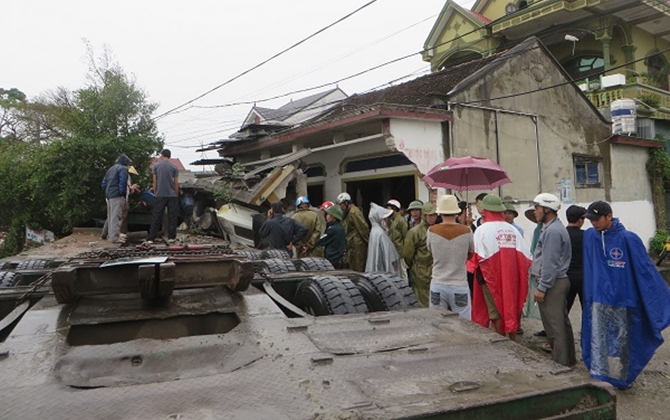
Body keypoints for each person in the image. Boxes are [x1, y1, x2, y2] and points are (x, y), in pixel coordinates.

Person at [582, 201, 670, 389]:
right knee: (599, 339)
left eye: (597, 219)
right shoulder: (590, 236)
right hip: (599, 299)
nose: (593, 223)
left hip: (624, 301)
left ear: (609, 216)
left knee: (624, 342)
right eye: (591, 220)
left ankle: (623, 376)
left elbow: (644, 269)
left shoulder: (628, 239)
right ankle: (599, 374)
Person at [471, 194, 531, 341]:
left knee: (495, 310)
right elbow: (527, 256)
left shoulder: (482, 229)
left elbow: (477, 256)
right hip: (512, 276)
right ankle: (512, 339)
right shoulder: (512, 230)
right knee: (510, 306)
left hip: (490, 275)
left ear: (486, 210)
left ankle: (502, 341)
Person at [531, 193, 576, 367]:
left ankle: (561, 364)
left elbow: (550, 263)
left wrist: (542, 287)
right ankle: (568, 360)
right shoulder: (552, 228)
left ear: (547, 209)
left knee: (554, 326)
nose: (535, 211)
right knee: (561, 323)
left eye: (537, 207)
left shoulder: (552, 232)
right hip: (556, 281)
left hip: (553, 283)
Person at [426, 195, 474, 318]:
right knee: (464, 324)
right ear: (456, 213)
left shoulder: (431, 231)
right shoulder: (467, 231)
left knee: (438, 322)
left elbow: (431, 251)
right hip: (459, 284)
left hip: (437, 283)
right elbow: (470, 255)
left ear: (440, 213)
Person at [402, 202, 438, 307]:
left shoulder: (436, 230)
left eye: (434, 215)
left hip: (435, 269)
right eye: (430, 215)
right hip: (420, 270)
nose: (433, 218)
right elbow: (407, 254)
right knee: (422, 300)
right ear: (424, 215)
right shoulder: (414, 232)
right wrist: (414, 265)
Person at [147, 149, 180, 243]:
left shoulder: (156, 166)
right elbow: (176, 183)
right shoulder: (174, 167)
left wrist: (155, 192)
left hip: (160, 194)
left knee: (157, 216)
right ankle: (171, 237)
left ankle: (151, 238)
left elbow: (155, 181)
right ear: (169, 156)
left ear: (162, 155)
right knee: (172, 216)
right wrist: (176, 194)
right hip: (172, 195)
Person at [365, 202, 403, 277]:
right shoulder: (380, 233)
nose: (386, 220)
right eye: (384, 218)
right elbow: (389, 254)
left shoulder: (375, 231)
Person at [101, 154, 132, 243]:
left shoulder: (110, 169)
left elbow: (103, 184)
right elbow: (122, 183)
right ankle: (114, 238)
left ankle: (110, 236)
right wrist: (122, 194)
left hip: (109, 195)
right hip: (117, 196)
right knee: (116, 217)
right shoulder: (123, 169)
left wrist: (107, 192)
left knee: (110, 216)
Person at [337, 192, 369, 272]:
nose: (340, 207)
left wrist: (368, 242)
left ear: (346, 203)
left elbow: (363, 228)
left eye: (341, 204)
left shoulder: (353, 212)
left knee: (358, 266)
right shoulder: (348, 212)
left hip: (357, 244)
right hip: (352, 243)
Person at [565, 205, 587, 313]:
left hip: (566, 276)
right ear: (580, 220)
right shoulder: (586, 235)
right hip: (583, 276)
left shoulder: (562, 234)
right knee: (587, 309)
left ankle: (561, 330)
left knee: (563, 310)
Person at [318, 204, 346, 269]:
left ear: (333, 217)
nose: (326, 216)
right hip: (339, 258)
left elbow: (321, 241)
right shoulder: (341, 227)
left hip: (333, 258)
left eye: (328, 214)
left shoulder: (332, 229)